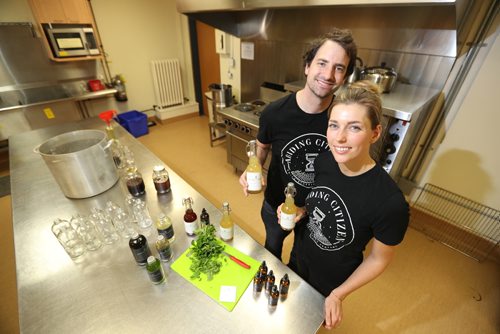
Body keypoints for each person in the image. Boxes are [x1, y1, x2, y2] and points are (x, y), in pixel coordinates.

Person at [283, 81, 409, 329]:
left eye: (354, 127)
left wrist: (339, 294)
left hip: (332, 278)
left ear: (375, 133)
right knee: (289, 308)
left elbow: (378, 259)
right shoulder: (324, 160)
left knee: (307, 323)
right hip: (300, 254)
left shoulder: (390, 203)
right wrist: (301, 211)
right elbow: (315, 202)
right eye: (334, 125)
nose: (339, 137)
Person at [239, 28, 358, 261]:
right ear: (307, 66)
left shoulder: (343, 119)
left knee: (301, 261)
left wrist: (308, 209)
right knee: (272, 250)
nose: (329, 74)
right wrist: (252, 166)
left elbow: (345, 170)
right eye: (322, 63)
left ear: (344, 77)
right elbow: (262, 147)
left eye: (339, 68)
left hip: (318, 213)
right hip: (277, 204)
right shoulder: (274, 113)